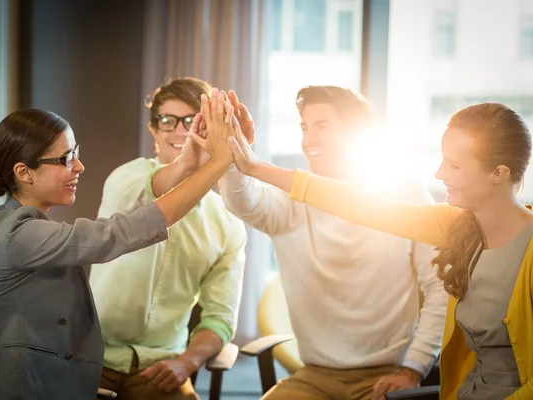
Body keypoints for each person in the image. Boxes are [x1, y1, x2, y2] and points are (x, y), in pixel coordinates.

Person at [211, 100, 533, 400]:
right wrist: (253, 166)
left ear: (499, 173)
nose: (439, 174)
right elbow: (357, 205)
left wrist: (413, 368)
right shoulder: (456, 226)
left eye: (454, 165)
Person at [0, 95, 236, 400]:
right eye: (66, 159)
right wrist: (219, 163)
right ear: (24, 172)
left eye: (76, 153)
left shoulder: (24, 224)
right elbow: (119, 233)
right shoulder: (18, 234)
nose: (80, 167)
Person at [194, 87, 447, 400]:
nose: (308, 140)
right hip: (314, 376)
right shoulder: (291, 199)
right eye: (304, 127)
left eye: (322, 126)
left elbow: (440, 288)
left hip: (388, 374)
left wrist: (413, 369)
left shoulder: (403, 193)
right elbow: (243, 202)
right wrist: (232, 153)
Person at [89, 79, 246, 400]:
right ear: (154, 130)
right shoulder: (126, 178)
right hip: (89, 354)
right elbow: (155, 191)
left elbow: (220, 316)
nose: (182, 131)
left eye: (193, 121)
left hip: (160, 365)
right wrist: (189, 164)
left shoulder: (227, 222)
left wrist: (186, 362)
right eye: (168, 120)